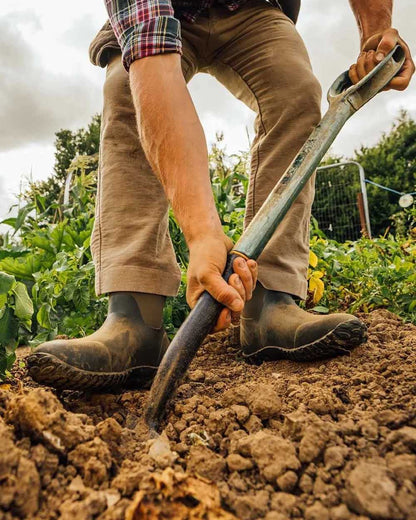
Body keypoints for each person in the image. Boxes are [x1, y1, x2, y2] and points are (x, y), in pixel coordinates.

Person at [27, 0, 414, 390]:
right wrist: (202, 234)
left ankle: (271, 305)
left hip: (252, 6)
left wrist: (375, 34)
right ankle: (135, 320)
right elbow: (151, 66)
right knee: (127, 89)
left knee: (294, 90)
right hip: (167, 11)